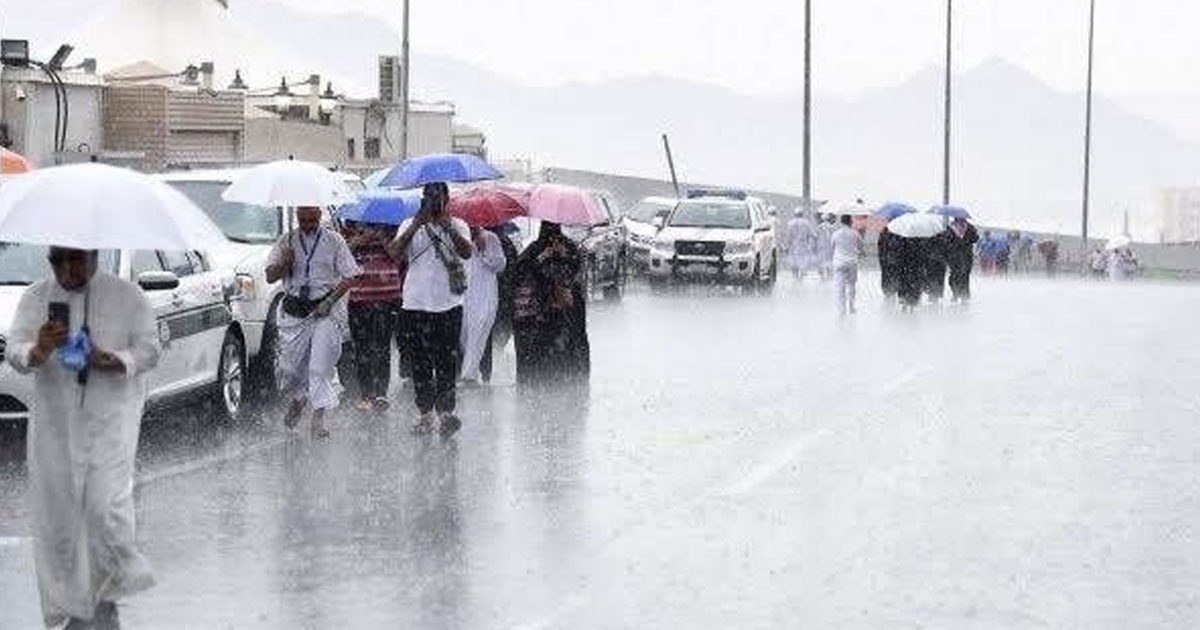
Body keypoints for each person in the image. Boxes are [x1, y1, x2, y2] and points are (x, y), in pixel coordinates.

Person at [7, 247, 161, 629]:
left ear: (93, 257)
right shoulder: (36, 299)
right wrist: (39, 349)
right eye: (57, 261)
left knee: (102, 510)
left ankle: (104, 596)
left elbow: (149, 350)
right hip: (55, 428)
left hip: (110, 423)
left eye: (75, 260)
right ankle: (78, 607)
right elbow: (15, 350)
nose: (67, 270)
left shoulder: (128, 298)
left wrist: (111, 360)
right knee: (60, 521)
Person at [266, 206, 362, 438]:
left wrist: (329, 301)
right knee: (291, 368)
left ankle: (318, 419)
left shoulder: (334, 241)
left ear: (320, 217)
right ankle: (299, 398)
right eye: (303, 220)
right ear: (297, 217)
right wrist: (285, 264)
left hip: (323, 311)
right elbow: (270, 276)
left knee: (320, 366)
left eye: (313, 220)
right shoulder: (285, 241)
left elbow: (351, 276)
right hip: (294, 312)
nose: (308, 224)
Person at [388, 182, 474, 436]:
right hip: (415, 305)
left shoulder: (458, 224)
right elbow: (394, 253)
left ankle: (446, 413)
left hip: (448, 305)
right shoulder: (409, 224)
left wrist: (449, 228)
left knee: (447, 361)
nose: (434, 201)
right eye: (429, 197)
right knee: (420, 363)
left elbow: (467, 253)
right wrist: (416, 224)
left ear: (447, 199)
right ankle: (426, 414)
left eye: (438, 197)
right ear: (423, 199)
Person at [511, 221, 590, 385]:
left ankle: (564, 377)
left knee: (565, 343)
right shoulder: (537, 248)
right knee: (548, 346)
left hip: (564, 308)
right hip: (543, 309)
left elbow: (575, 269)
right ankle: (549, 378)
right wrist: (544, 256)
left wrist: (564, 255)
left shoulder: (568, 247)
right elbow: (520, 271)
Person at [343, 220, 402, 413]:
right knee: (362, 348)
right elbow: (341, 257)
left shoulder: (394, 229)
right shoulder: (349, 229)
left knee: (383, 346)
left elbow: (398, 256)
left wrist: (382, 237)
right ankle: (366, 394)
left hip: (388, 297)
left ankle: (381, 393)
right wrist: (360, 239)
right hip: (359, 298)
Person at [460, 225, 507, 384]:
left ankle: (472, 374)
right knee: (465, 332)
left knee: (480, 329)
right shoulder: (460, 237)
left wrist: (483, 251)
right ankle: (465, 371)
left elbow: (500, 265)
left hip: (484, 292)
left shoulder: (491, 238)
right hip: (464, 293)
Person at [486, 224, 521, 379]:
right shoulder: (505, 243)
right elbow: (513, 268)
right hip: (504, 292)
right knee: (502, 323)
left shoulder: (486, 240)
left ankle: (493, 356)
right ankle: (496, 354)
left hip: (492, 292)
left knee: (492, 324)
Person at [830, 214, 864, 315]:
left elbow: (832, 247)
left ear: (841, 222)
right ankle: (851, 306)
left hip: (839, 262)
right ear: (851, 222)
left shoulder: (836, 234)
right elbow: (861, 246)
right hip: (852, 262)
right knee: (851, 285)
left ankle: (842, 309)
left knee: (840, 287)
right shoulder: (855, 233)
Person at [943, 218, 980, 302]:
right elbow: (946, 240)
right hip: (959, 256)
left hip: (960, 256)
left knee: (960, 276)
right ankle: (959, 295)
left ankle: (961, 296)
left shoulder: (956, 227)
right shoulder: (953, 227)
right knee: (959, 277)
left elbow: (975, 239)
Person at [786, 210, 818, 280]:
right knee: (802, 262)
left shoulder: (790, 223)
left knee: (794, 262)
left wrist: (787, 246)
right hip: (803, 246)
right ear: (802, 214)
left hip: (793, 246)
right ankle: (800, 278)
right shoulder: (806, 223)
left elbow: (788, 237)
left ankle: (795, 278)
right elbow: (813, 234)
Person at [877, 226, 899, 301]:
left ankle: (888, 296)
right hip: (895, 262)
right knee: (894, 279)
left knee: (887, 279)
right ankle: (891, 294)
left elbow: (880, 249)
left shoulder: (883, 235)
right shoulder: (898, 235)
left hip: (886, 262)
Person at [816, 214, 836, 281]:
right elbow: (833, 237)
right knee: (829, 261)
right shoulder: (832, 227)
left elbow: (816, 237)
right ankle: (829, 276)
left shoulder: (819, 228)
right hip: (829, 246)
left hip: (821, 247)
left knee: (821, 262)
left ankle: (822, 277)